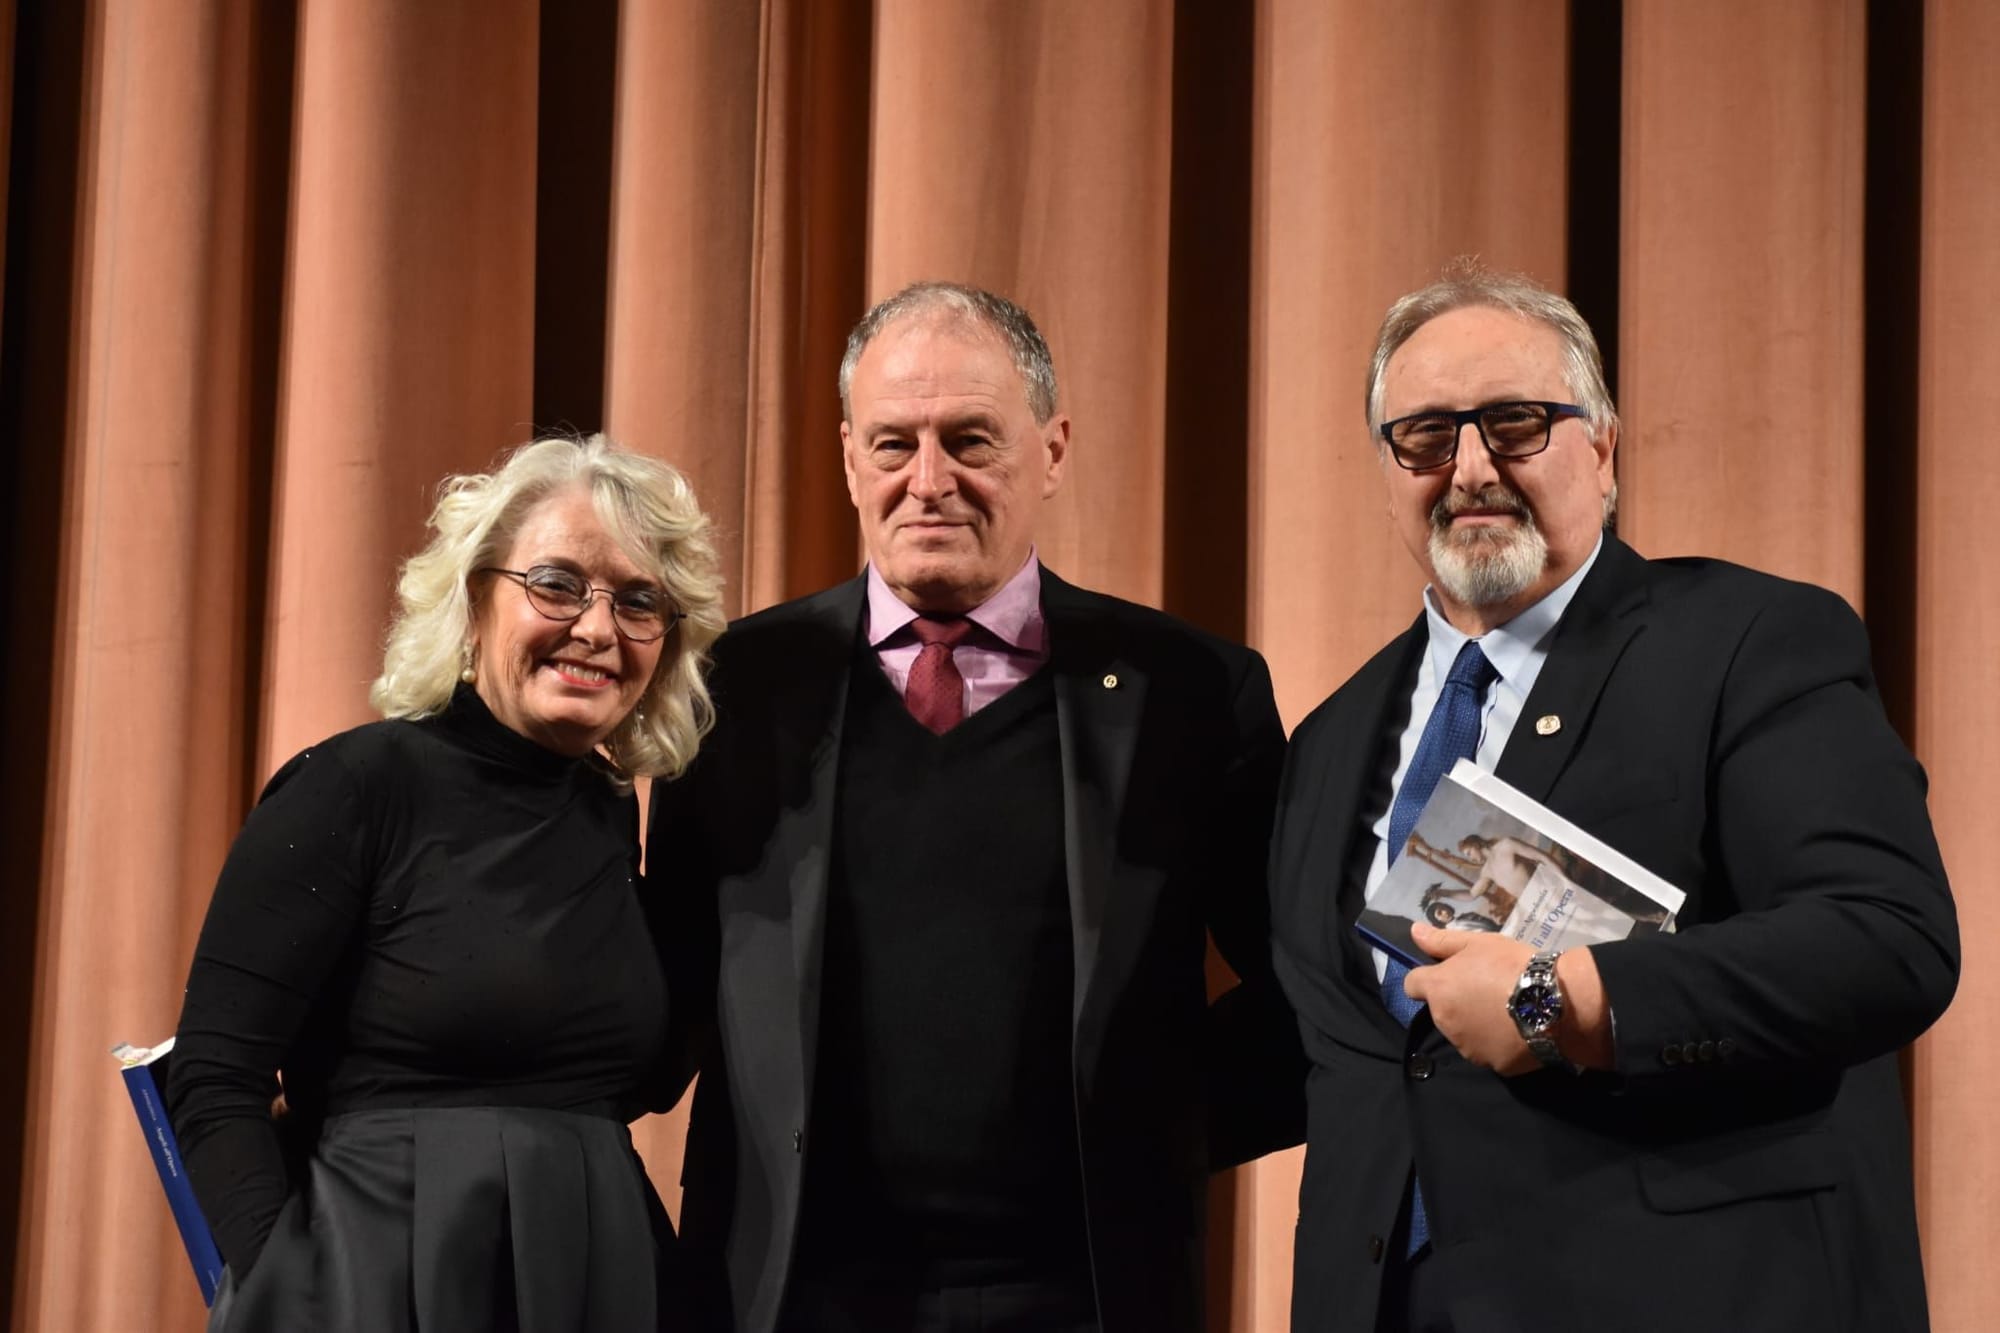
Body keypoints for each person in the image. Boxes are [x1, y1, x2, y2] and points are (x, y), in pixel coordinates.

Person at [1268, 261, 1958, 1333]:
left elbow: (1885, 937)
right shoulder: (1327, 739)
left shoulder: (1747, 642)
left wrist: (1569, 1000)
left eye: (1513, 423)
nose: (1470, 468)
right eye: (1426, 436)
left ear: (1600, 449)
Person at [649, 282, 1300, 1333]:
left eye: (969, 441)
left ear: (1051, 450)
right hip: (787, 1292)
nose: (928, 481)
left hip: (1084, 1294)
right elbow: (657, 997)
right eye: (892, 444)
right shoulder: (729, 689)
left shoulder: (1190, 689)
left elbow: (1305, 988)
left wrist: (1152, 1132)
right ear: (849, 459)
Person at [168, 434, 725, 1331]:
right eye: (556, 585)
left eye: (637, 601)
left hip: (598, 1276)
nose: (597, 629)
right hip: (378, 1283)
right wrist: (291, 1295)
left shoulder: (610, 814)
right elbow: (213, 1076)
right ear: (473, 600)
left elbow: (630, 1078)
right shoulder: (355, 786)